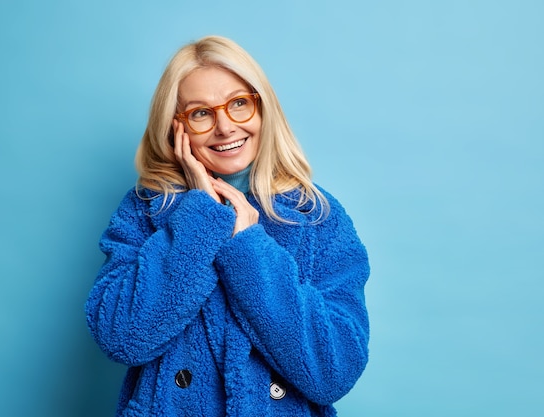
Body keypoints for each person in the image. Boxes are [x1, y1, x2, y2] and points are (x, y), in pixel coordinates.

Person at [85, 35, 370, 416]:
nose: (225, 127)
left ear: (262, 110)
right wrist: (200, 218)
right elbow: (122, 338)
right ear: (176, 127)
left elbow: (333, 371)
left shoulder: (316, 214)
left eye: (239, 104)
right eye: (201, 113)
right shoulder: (146, 209)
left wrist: (249, 247)